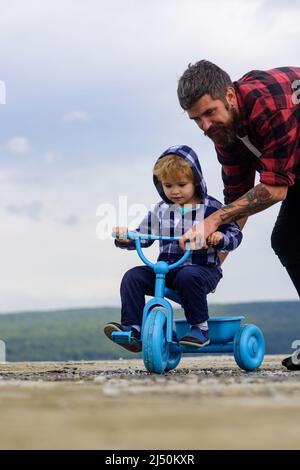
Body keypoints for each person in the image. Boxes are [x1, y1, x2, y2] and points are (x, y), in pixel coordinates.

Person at [177, 60, 300, 370]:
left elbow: (274, 189)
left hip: (287, 173)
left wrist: (213, 220)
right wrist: (213, 266)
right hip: (293, 169)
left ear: (230, 96)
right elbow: (238, 200)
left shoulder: (269, 106)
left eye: (209, 113)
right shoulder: (226, 135)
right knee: (287, 240)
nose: (205, 126)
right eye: (196, 120)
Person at [104, 145, 242, 352]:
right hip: (167, 269)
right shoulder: (161, 210)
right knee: (133, 277)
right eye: (168, 185)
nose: (175, 191)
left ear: (196, 180)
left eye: (181, 184)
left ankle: (199, 328)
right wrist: (126, 237)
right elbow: (143, 236)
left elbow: (235, 234)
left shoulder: (212, 208)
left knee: (189, 276)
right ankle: (133, 329)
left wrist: (219, 237)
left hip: (203, 270)